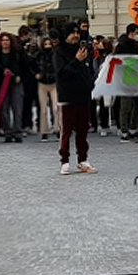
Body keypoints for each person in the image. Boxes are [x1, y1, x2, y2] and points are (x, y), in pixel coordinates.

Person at [55, 23, 97, 174]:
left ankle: (83, 160)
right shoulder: (59, 52)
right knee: (66, 131)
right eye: (72, 33)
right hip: (67, 97)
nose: (76, 36)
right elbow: (62, 74)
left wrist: (91, 84)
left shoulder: (83, 51)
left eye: (77, 33)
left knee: (83, 131)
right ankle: (64, 161)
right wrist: (76, 61)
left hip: (83, 96)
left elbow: (89, 71)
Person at [113, 23, 138, 142]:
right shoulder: (122, 45)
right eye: (137, 33)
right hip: (125, 78)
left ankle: (133, 127)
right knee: (125, 106)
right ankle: (124, 131)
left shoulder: (135, 45)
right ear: (131, 33)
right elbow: (118, 62)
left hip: (135, 78)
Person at [0, 33, 26, 142]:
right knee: (4, 109)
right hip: (2, 84)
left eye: (7, 40)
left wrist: (19, 76)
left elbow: (25, 66)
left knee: (17, 108)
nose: (5, 42)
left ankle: (17, 132)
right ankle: (7, 132)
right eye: (3, 40)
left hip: (16, 83)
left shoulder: (17, 53)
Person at [36, 35, 60, 142]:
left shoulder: (55, 54)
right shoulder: (38, 55)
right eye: (45, 44)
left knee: (56, 108)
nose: (48, 46)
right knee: (43, 109)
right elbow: (32, 65)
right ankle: (44, 132)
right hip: (42, 83)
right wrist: (36, 74)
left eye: (49, 44)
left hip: (54, 83)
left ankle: (58, 129)